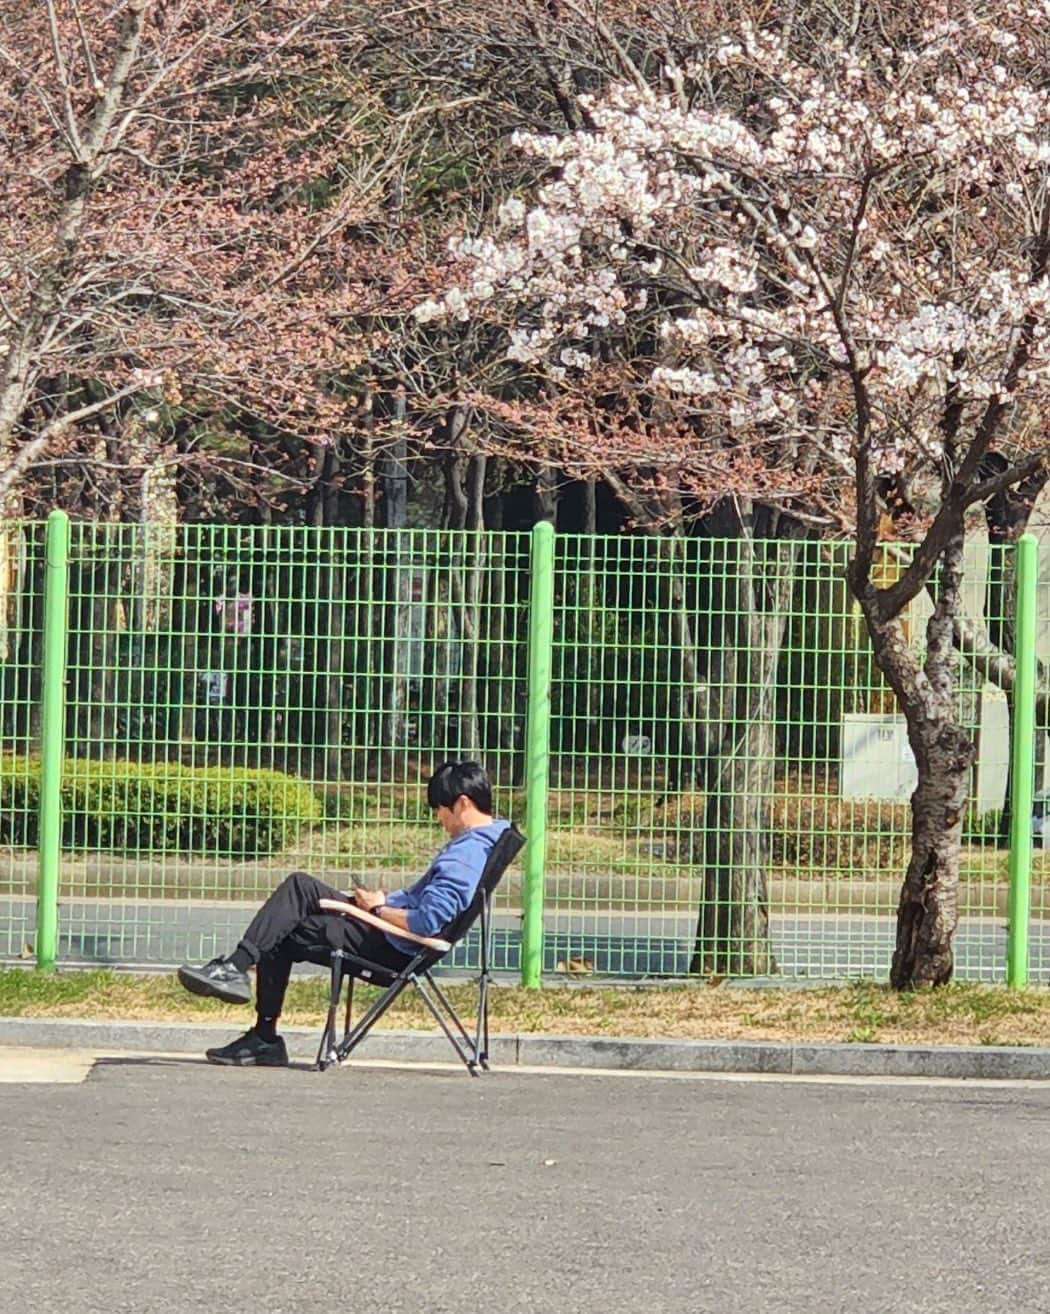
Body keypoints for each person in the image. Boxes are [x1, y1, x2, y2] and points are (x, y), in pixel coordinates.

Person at [177, 760, 509, 1067]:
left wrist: (378, 908)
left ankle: (240, 980)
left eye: (440, 810)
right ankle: (259, 1026)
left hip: (394, 948)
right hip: (391, 934)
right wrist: (380, 901)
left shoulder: (466, 854)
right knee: (282, 924)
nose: (440, 819)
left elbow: (426, 922)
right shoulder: (487, 840)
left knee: (298, 890)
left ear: (462, 803)